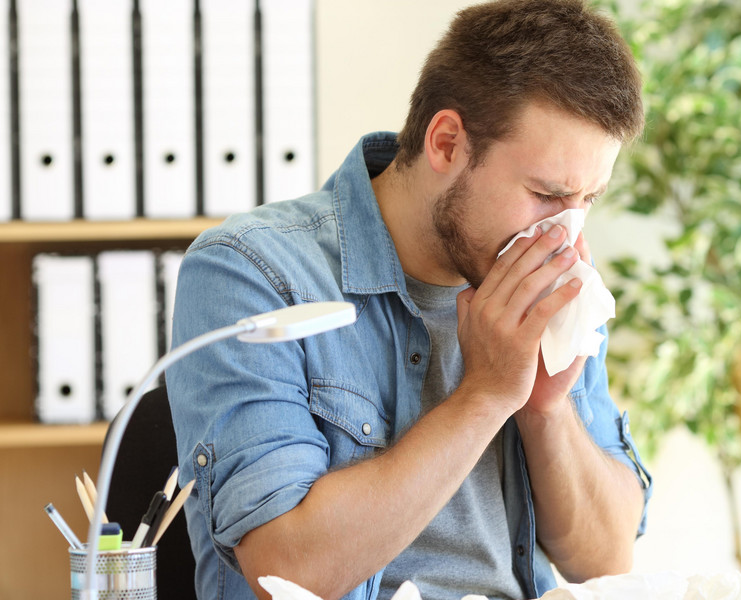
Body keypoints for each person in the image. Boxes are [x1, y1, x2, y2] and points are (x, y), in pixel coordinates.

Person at [166, 1, 653, 598]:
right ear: (446, 143)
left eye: (587, 201)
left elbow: (605, 559)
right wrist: (487, 395)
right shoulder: (253, 272)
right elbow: (284, 572)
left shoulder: (554, 274)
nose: (563, 235)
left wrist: (546, 409)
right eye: (545, 194)